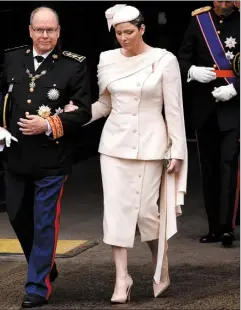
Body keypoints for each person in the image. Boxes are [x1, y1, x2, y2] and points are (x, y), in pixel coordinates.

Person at [66, 4, 188, 302]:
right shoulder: (107, 59)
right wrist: (77, 114)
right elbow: (105, 104)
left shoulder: (164, 59)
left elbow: (174, 109)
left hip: (151, 144)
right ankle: (122, 278)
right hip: (114, 147)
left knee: (147, 214)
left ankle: (161, 264)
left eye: (129, 32)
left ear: (142, 29)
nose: (123, 38)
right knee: (116, 214)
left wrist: (177, 149)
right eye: (119, 33)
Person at [0, 6, 91, 308]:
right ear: (30, 30)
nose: (44, 35)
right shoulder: (13, 58)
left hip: (51, 158)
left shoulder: (74, 66)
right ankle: (44, 264)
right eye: (39, 29)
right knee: (17, 215)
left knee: (45, 221)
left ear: (58, 32)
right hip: (16, 155)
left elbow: (83, 111)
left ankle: (37, 287)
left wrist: (48, 124)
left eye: (51, 30)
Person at [178, 2, 240, 247]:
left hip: (233, 106)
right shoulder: (199, 21)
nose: (223, 5)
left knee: (229, 164)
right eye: (218, 0)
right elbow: (181, 58)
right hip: (204, 106)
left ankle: (227, 227)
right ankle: (214, 227)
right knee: (209, 168)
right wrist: (191, 71)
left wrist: (235, 88)